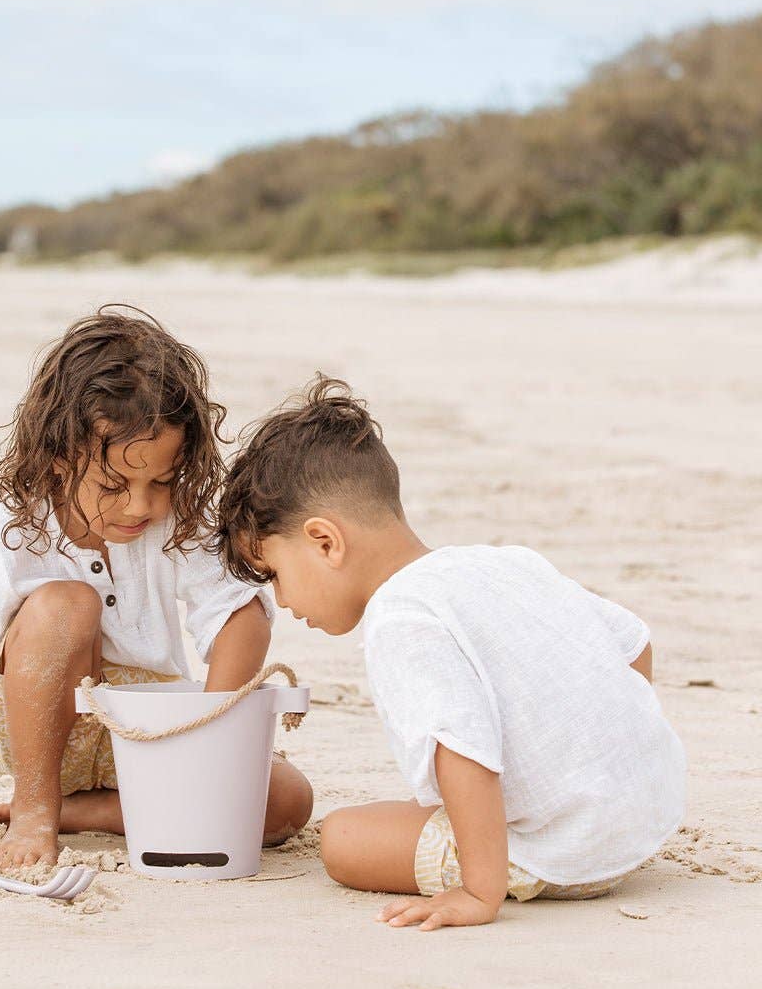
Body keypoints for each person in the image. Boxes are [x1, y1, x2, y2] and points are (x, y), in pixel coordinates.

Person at [214, 376, 684, 931]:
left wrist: (478, 891)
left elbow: (462, 746)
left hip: (565, 854)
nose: (284, 601)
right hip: (641, 821)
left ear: (324, 542)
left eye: (275, 574)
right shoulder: (504, 562)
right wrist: (602, 758)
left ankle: (505, 866)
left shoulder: (401, 617)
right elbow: (633, 644)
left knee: (343, 838)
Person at [0, 307, 313, 870]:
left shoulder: (181, 525)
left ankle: (95, 812)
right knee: (69, 603)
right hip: (37, 724)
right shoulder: (7, 530)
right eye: (114, 485)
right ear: (57, 457)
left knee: (287, 804)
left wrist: (211, 741)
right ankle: (36, 807)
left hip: (144, 731)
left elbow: (239, 614)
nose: (140, 506)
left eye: (162, 482)